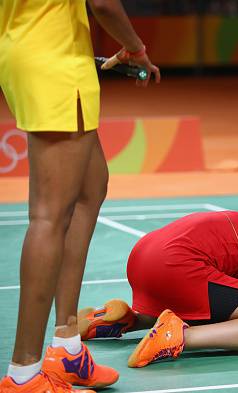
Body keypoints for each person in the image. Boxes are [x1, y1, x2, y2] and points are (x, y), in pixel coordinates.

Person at [0, 1, 159, 391]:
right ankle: (24, 375)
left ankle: (67, 348)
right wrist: (135, 48)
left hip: (35, 50)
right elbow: (103, 3)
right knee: (48, 215)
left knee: (91, 188)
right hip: (55, 64)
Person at [76, 211, 238, 368]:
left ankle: (130, 320)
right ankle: (178, 337)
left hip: (145, 254)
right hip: (176, 262)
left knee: (221, 310)